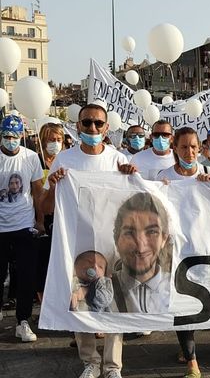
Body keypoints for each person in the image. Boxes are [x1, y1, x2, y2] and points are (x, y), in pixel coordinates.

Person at [42, 101, 133, 378]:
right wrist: (55, 185)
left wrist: (133, 178)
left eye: (97, 123)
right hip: (76, 243)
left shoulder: (119, 160)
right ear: (78, 126)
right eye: (86, 123)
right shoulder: (65, 160)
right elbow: (45, 206)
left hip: (111, 244)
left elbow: (136, 200)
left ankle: (113, 366)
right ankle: (90, 362)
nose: (92, 127)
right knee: (78, 301)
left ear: (106, 128)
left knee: (115, 302)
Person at [156, 127, 210, 378]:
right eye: (184, 147)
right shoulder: (164, 175)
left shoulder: (209, 173)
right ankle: (192, 361)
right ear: (175, 149)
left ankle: (186, 347)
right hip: (176, 248)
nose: (189, 152)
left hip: (203, 246)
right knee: (183, 301)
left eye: (193, 147)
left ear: (200, 148)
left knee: (200, 301)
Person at [0, 115, 44, 342]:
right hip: (1, 227)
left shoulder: (31, 157)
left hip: (24, 225)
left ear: (22, 136)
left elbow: (37, 191)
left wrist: (39, 220)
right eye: (7, 136)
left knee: (27, 275)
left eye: (15, 136)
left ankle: (22, 321)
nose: (11, 140)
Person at [111, 192, 172, 314]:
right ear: (116, 239)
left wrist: (208, 188)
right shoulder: (101, 290)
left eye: (152, 232)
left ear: (164, 239)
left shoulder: (177, 289)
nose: (140, 246)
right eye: (129, 233)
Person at [36, 122, 65, 302]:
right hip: (43, 216)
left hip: (62, 216)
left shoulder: (65, 160)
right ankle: (44, 300)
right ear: (43, 141)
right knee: (43, 261)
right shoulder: (36, 161)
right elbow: (36, 195)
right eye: (51, 140)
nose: (55, 143)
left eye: (58, 139)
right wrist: (39, 221)